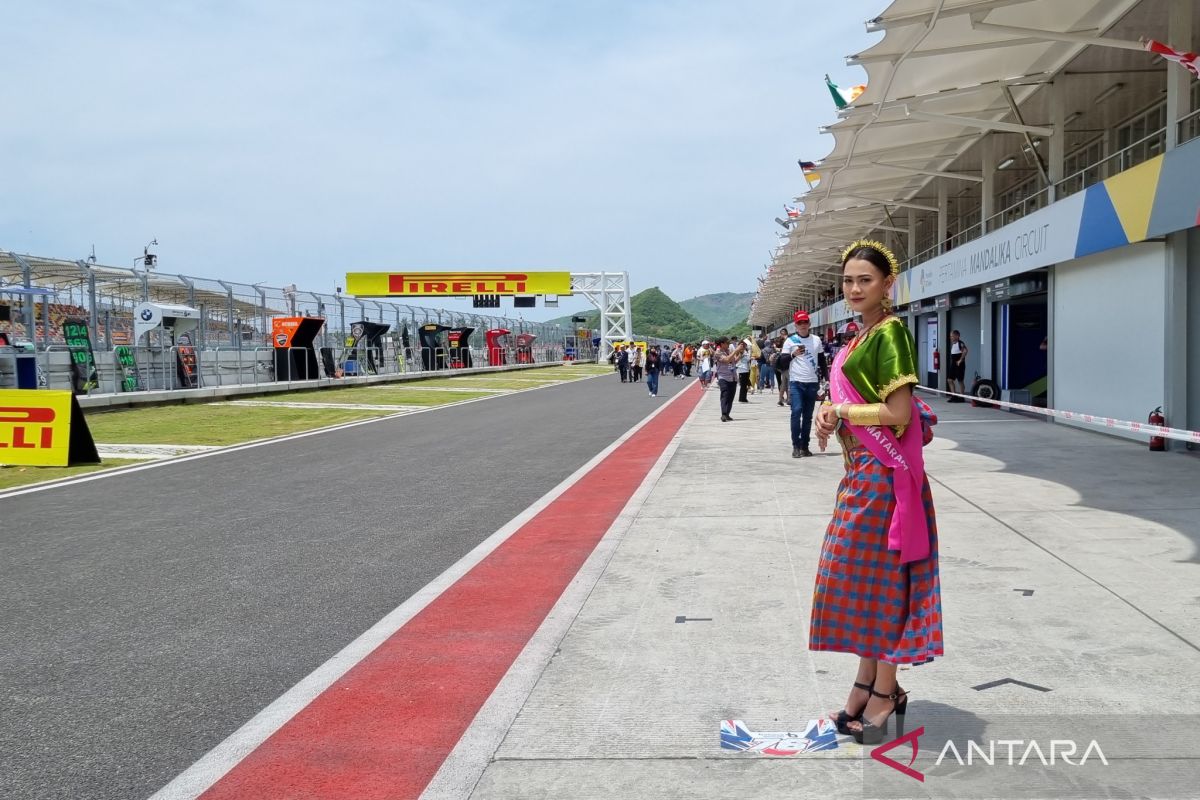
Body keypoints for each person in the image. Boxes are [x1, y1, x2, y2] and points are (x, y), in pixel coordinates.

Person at [811, 239, 943, 745]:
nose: (854, 288)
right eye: (848, 280)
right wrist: (828, 409)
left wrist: (840, 413)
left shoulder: (891, 334)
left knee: (884, 584)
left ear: (888, 284)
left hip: (886, 481)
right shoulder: (855, 339)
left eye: (865, 280)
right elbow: (851, 397)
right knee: (860, 584)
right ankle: (866, 684)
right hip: (860, 475)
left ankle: (884, 690)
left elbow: (899, 413)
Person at [783, 310, 826, 458]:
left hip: (812, 383)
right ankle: (796, 445)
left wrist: (827, 379)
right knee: (796, 412)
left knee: (808, 416)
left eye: (805, 322)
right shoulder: (790, 341)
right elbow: (781, 363)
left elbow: (821, 360)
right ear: (795, 325)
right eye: (799, 323)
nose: (803, 325)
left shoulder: (816, 340)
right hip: (796, 383)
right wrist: (793, 355)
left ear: (809, 324)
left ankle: (804, 446)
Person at [713, 336, 744, 421]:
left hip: (733, 377)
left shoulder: (729, 351)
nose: (728, 344)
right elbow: (726, 360)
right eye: (727, 343)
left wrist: (741, 354)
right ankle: (723, 413)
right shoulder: (718, 353)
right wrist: (735, 351)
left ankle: (727, 414)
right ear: (722, 344)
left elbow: (734, 361)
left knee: (731, 397)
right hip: (723, 377)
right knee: (724, 395)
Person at [947, 330, 969, 401]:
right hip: (953, 365)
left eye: (952, 336)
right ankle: (954, 396)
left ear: (957, 336)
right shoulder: (953, 344)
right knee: (950, 380)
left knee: (960, 381)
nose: (951, 337)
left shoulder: (960, 343)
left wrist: (960, 360)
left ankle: (962, 397)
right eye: (950, 336)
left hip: (960, 365)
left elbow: (965, 351)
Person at [736, 337, 753, 402]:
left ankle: (743, 398)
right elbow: (747, 359)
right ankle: (742, 398)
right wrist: (750, 355)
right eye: (745, 344)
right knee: (743, 385)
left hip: (745, 368)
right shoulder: (741, 350)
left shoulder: (744, 350)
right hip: (742, 368)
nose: (746, 345)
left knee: (744, 384)